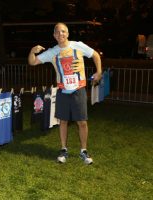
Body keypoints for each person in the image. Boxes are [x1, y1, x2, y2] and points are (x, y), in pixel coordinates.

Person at [28, 22, 102, 165]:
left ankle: (84, 151)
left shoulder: (78, 45)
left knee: (82, 122)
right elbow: (32, 62)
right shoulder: (52, 52)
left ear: (67, 33)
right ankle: (63, 149)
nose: (60, 34)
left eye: (63, 31)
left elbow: (95, 55)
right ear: (54, 35)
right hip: (62, 90)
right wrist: (32, 51)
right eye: (57, 32)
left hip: (78, 90)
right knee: (63, 121)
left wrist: (98, 72)